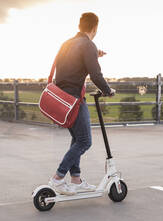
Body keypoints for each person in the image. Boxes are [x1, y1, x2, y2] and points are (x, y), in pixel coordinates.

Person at [48, 12, 115, 195]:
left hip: (60, 99)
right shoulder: (88, 45)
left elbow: (73, 64)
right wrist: (108, 91)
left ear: (80, 25)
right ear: (95, 28)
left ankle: (76, 179)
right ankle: (58, 178)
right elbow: (96, 75)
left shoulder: (67, 43)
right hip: (74, 100)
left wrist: (95, 55)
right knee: (85, 141)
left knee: (77, 139)